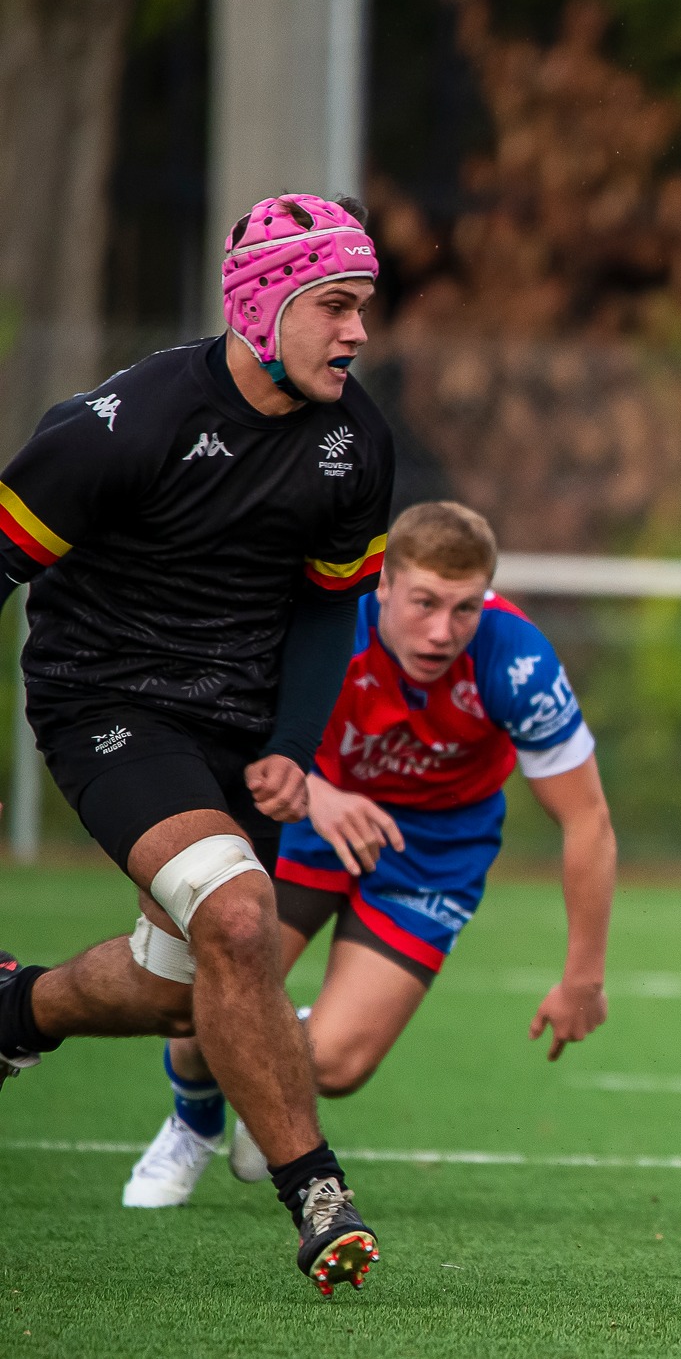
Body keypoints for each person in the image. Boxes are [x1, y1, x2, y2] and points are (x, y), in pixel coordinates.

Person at [0, 194, 396, 1293]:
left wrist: (294, 744)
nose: (358, 332)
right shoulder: (124, 423)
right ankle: (316, 1191)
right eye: (336, 305)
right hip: (108, 705)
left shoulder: (357, 441)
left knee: (182, 988)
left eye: (364, 306)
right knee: (238, 915)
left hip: (240, 727)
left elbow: (330, 604)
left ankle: (13, 1010)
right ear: (263, 307)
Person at [121, 500, 615, 1206]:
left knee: (339, 1063)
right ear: (382, 584)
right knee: (198, 1000)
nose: (443, 631)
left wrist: (582, 978)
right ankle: (194, 1121)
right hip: (300, 814)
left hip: (436, 847)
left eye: (465, 608)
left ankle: (275, 1051)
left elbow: (587, 817)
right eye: (424, 602)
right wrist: (316, 794)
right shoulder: (320, 618)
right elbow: (226, 734)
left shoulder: (518, 660)